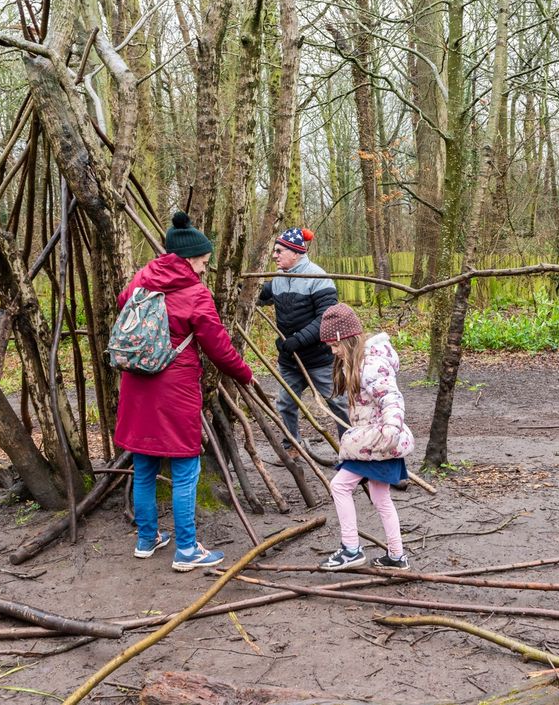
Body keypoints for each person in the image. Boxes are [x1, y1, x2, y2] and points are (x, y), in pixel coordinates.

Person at [114, 212, 255, 571]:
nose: (205, 269)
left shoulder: (141, 280)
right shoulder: (195, 293)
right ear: (190, 258)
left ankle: (147, 539)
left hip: (136, 384)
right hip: (174, 390)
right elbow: (218, 346)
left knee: (143, 464)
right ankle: (187, 549)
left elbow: (121, 304)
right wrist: (244, 373)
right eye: (204, 262)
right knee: (185, 468)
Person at [316, 303, 413, 570]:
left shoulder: (370, 365)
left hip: (376, 441)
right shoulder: (359, 362)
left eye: (334, 346)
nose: (333, 352)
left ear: (344, 339)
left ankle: (350, 548)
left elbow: (391, 398)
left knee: (340, 486)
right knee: (380, 496)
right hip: (374, 441)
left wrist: (391, 429)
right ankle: (396, 555)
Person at [259, 227, 349, 447]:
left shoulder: (318, 278)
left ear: (295, 252)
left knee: (339, 403)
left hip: (320, 360)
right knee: (286, 404)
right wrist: (246, 290)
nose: (274, 255)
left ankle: (352, 449)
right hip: (290, 361)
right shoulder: (279, 279)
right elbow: (261, 295)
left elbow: (325, 318)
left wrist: (298, 340)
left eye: (279, 251)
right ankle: (292, 447)